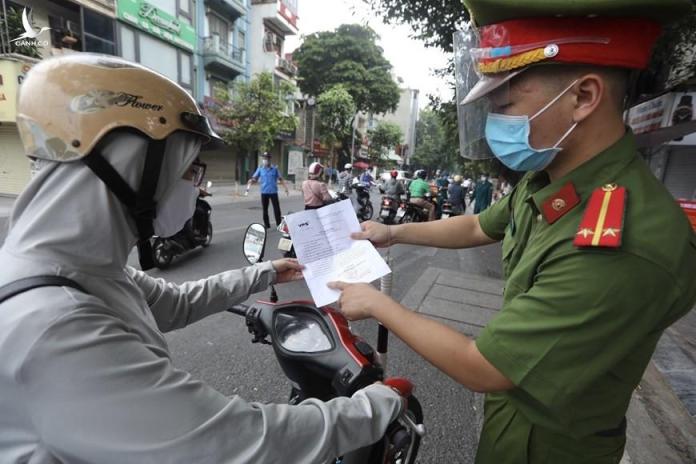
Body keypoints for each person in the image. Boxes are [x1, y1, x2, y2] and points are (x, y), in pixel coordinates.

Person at [327, 0, 696, 462]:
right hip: (511, 425)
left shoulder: (622, 239)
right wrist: (393, 234)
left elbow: (485, 368)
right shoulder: (551, 176)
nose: (497, 121)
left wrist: (379, 303)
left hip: (552, 448)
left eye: (504, 105)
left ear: (584, 97)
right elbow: (481, 224)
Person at [0, 54, 406, 463]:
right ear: (130, 166)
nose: (195, 187)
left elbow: (176, 302)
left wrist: (265, 271)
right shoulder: (54, 325)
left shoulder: (82, 269)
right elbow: (228, 444)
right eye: (187, 170)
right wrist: (373, 408)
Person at [246, 152, 289, 229]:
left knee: (277, 209)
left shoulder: (275, 169)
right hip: (264, 192)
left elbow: (280, 179)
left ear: (269, 159)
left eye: (266, 158)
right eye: (264, 158)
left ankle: (279, 224)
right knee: (265, 209)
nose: (265, 160)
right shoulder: (260, 169)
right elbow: (255, 178)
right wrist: (251, 180)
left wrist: (286, 188)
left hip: (273, 192)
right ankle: (267, 224)